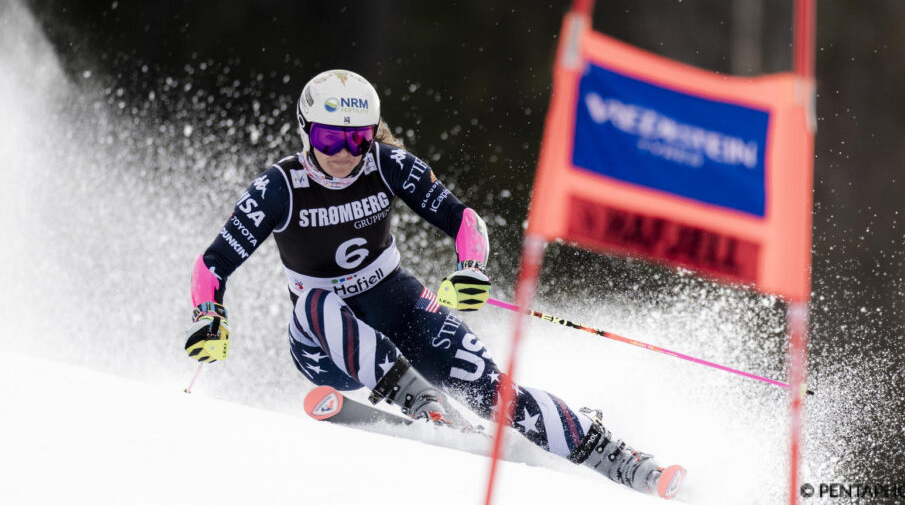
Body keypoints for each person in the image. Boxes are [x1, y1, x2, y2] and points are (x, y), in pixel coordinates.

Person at [184, 69, 683, 499]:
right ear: (305, 131)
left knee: (494, 390)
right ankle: (426, 404)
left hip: (396, 302)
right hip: (324, 343)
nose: (344, 154)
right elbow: (213, 264)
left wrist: (471, 268)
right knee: (317, 299)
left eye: (358, 139)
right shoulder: (279, 188)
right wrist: (209, 317)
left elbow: (464, 220)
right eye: (330, 139)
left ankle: (621, 459)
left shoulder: (387, 165)